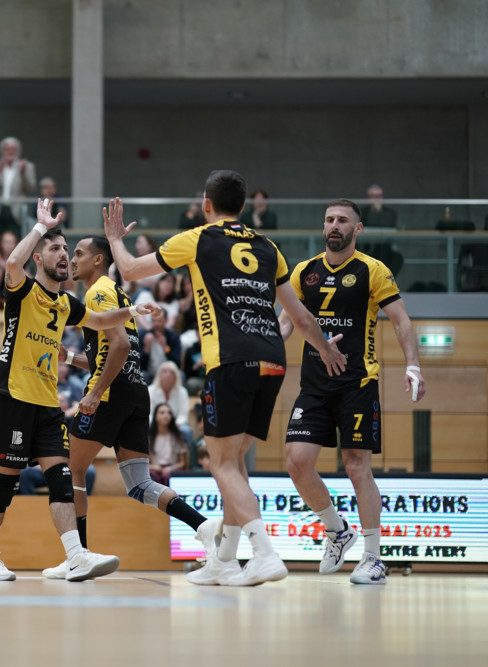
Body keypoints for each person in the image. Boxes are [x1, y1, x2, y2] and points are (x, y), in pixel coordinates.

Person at [103, 170, 347, 587]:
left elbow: (128, 269)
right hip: (272, 360)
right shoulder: (269, 247)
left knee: (220, 463)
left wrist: (113, 238)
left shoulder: (198, 238)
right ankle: (224, 559)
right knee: (234, 463)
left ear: (205, 205)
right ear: (244, 205)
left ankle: (265, 553)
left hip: (230, 360)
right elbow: (301, 317)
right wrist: (326, 348)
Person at [0, 198, 159, 583]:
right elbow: (11, 265)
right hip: (13, 397)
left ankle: (76, 556)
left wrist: (134, 312)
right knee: (4, 484)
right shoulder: (23, 290)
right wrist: (40, 228)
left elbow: (99, 319)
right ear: (38, 259)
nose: (64, 255)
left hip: (47, 404)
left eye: (66, 248)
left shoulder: (65, 303)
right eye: (56, 249)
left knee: (61, 478)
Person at [39, 234, 216, 580]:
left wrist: (94, 393)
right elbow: (113, 354)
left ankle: (80, 555)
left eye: (79, 254)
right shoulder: (118, 295)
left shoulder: (97, 291)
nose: (72, 260)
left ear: (98, 261)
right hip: (136, 393)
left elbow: (118, 347)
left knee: (68, 470)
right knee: (139, 485)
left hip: (110, 395)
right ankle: (204, 526)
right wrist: (72, 357)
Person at [278, 199, 426, 586]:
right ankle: (337, 529)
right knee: (296, 462)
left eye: (343, 220)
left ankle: (374, 558)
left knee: (356, 465)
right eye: (329, 219)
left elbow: (401, 320)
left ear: (357, 229)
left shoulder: (372, 270)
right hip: (313, 385)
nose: (334, 225)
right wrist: (266, 355)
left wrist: (413, 365)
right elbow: (288, 321)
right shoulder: (303, 271)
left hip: (357, 382)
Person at [0, 137, 36, 240]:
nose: (11, 151)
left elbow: (30, 188)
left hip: (17, 212)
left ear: (18, 151)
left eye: (14, 149)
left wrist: (22, 172)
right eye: (8, 149)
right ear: (2, 151)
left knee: (17, 243)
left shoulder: (27, 166)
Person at [148, 360, 192, 442]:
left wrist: (176, 424)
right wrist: (159, 424)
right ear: (159, 375)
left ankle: (186, 455)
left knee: (187, 431)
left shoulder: (182, 391)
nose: (168, 374)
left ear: (176, 377)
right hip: (154, 424)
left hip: (175, 425)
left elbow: (183, 415)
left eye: (172, 372)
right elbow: (148, 414)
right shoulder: (150, 390)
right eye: (164, 371)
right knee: (145, 427)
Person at [148, 402, 188, 485]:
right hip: (155, 470)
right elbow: (145, 464)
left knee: (172, 478)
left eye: (169, 413)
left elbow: (182, 463)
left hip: (172, 470)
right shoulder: (149, 438)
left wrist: (171, 468)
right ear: (155, 416)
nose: (166, 415)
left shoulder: (178, 436)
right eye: (162, 413)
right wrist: (154, 467)